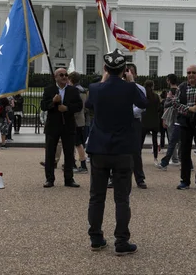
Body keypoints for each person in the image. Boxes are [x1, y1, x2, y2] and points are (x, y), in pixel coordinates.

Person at [86, 49, 147, 256]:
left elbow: (88, 105)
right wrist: (130, 83)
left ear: (105, 68)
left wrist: (103, 83)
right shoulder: (130, 89)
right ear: (125, 70)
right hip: (122, 150)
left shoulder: (95, 88)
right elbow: (144, 103)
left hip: (99, 149)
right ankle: (121, 241)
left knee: (96, 197)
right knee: (122, 198)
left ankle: (96, 238)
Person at [41, 68, 83, 188]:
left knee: (69, 154)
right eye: (61, 75)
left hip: (68, 125)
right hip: (53, 126)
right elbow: (43, 106)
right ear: (56, 77)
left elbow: (79, 106)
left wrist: (67, 108)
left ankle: (69, 179)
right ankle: (49, 179)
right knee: (50, 154)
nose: (64, 77)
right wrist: (53, 102)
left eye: (66, 75)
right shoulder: (49, 90)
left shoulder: (73, 90)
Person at [68, 72, 88, 173]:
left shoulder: (75, 90)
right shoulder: (83, 90)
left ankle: (82, 165)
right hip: (81, 119)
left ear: (71, 79)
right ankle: (73, 163)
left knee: (77, 143)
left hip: (74, 120)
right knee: (77, 143)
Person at [141, 80, 161, 164]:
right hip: (154, 120)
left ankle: (139, 157)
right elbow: (158, 109)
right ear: (152, 86)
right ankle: (155, 158)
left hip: (145, 120)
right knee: (154, 140)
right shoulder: (156, 96)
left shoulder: (143, 96)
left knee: (141, 140)